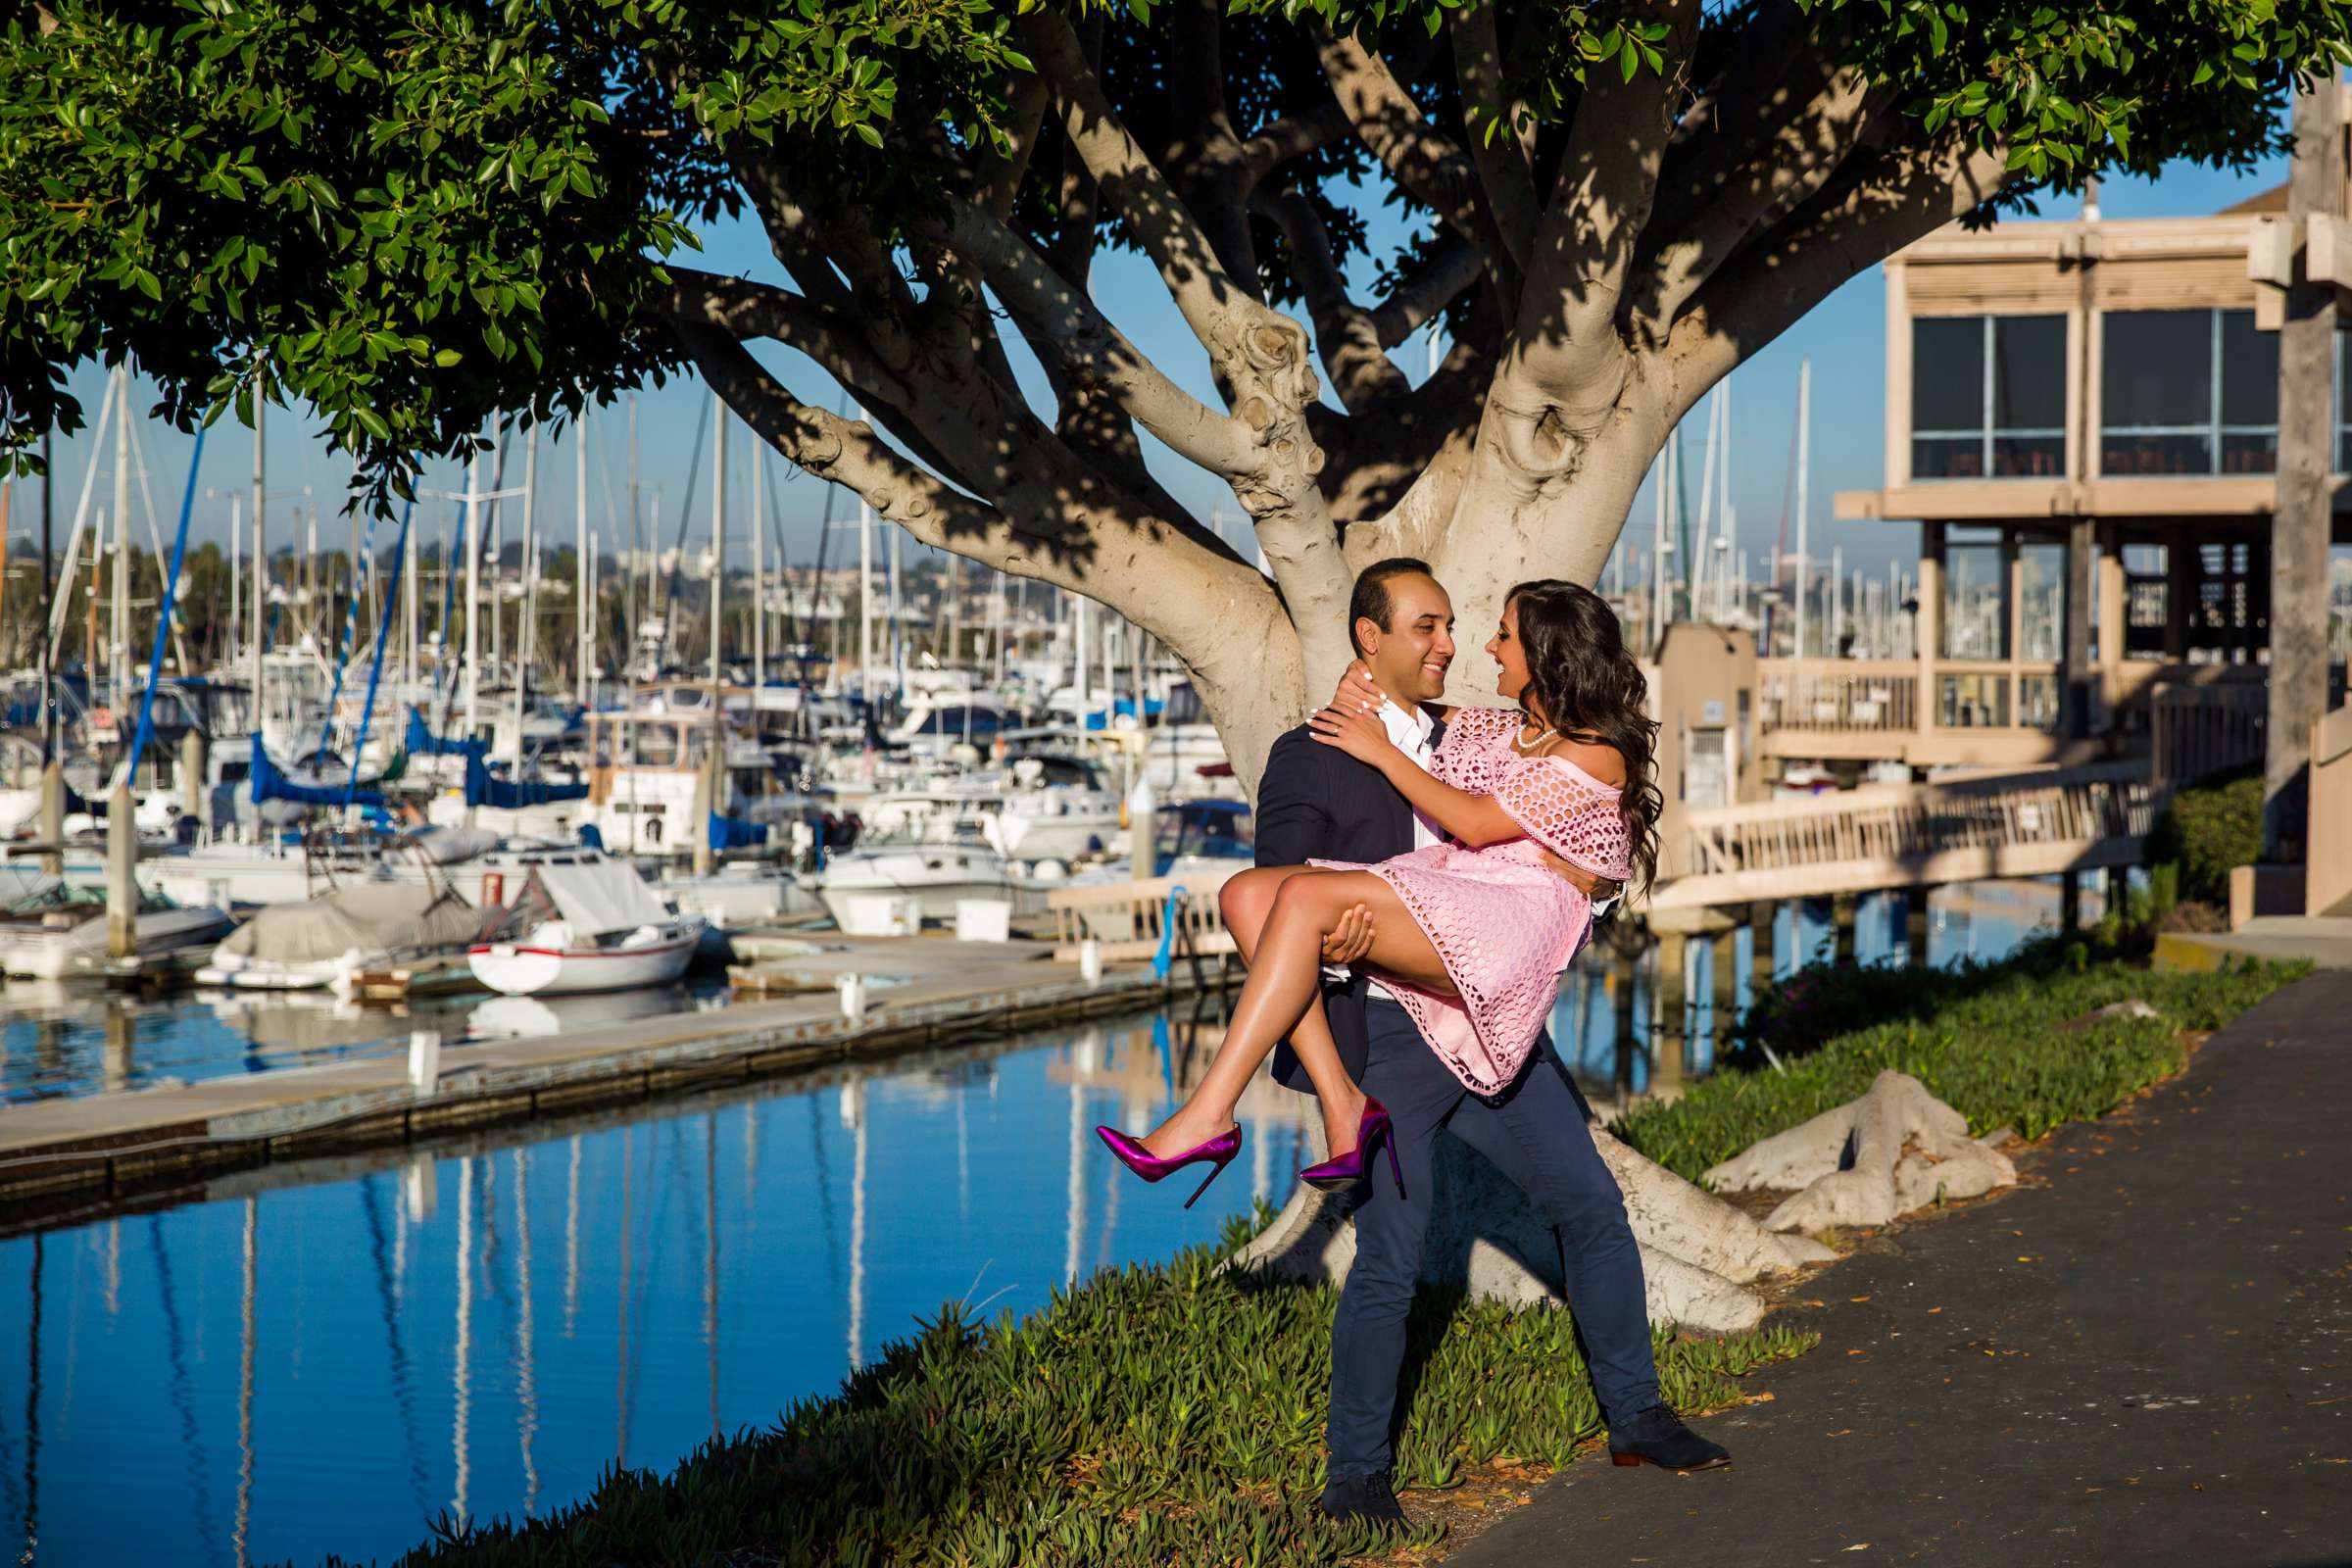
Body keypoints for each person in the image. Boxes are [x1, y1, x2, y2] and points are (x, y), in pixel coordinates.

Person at [1099, 562, 1730, 1516]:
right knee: (1389, 1252)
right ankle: (1355, 1479)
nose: (1461, 643)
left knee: (1591, 1205)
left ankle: (1637, 1415)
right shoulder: (1313, 755)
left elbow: (1490, 819)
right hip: (1394, 1026)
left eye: (1479, 630)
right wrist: (1337, 931)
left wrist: (1382, 760)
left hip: (1499, 1021)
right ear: (1370, 637)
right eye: (1428, 626)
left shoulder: (1470, 737)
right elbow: (1283, 896)